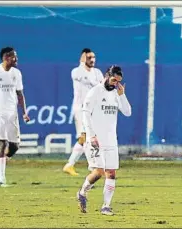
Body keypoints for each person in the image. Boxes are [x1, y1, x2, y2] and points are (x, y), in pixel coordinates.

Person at [77, 65, 131, 215]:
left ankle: (106, 206)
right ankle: (82, 192)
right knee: (99, 172)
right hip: (95, 140)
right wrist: (91, 135)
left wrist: (122, 95)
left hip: (111, 140)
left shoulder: (116, 93)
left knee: (111, 173)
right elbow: (85, 114)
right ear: (107, 76)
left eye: (118, 81)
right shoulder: (94, 92)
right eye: (114, 80)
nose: (115, 83)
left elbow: (127, 112)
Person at [0, 47, 30, 187]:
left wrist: (24, 112)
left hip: (12, 113)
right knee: (2, 143)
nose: (17, 59)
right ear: (6, 57)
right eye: (14, 56)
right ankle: (2, 179)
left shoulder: (17, 73)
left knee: (15, 146)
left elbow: (20, 94)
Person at [63, 48, 104, 176]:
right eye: (89, 57)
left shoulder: (97, 72)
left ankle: (69, 165)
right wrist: (82, 64)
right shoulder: (76, 72)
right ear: (83, 58)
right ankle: (92, 166)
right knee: (85, 137)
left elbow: (102, 88)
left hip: (93, 109)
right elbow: (90, 82)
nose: (92, 60)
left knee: (87, 137)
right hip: (80, 109)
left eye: (93, 57)